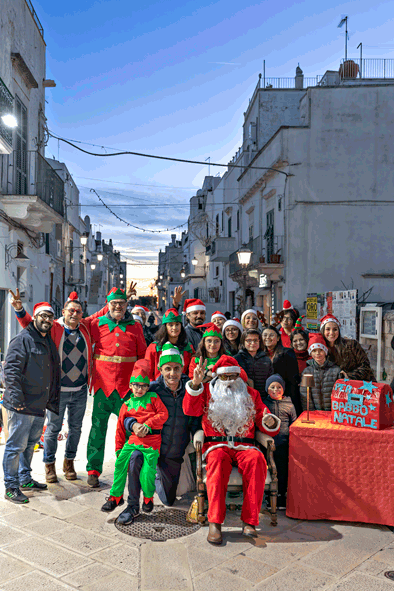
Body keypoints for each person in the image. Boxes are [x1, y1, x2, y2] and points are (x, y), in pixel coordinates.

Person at [183, 355, 280, 544]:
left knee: (257, 460)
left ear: (239, 376)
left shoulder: (251, 394)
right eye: (226, 377)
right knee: (217, 462)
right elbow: (190, 410)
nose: (230, 381)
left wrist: (269, 421)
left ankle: (249, 521)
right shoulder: (207, 393)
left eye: (234, 377)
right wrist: (195, 384)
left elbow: (263, 416)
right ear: (218, 377)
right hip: (216, 445)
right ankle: (215, 522)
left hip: (245, 445)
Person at [86, 287, 147, 487]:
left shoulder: (135, 327)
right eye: (113, 303)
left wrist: (140, 384)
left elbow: (142, 357)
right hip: (103, 386)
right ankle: (93, 469)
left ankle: (128, 466)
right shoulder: (97, 324)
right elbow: (81, 325)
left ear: (126, 304)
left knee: (127, 430)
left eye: (121, 303)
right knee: (97, 429)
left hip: (126, 388)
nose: (118, 307)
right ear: (108, 305)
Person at [2, 302, 60, 503]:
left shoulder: (47, 340)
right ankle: (11, 486)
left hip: (38, 405)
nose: (46, 320)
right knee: (15, 446)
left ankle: (25, 478)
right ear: (34, 317)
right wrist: (17, 399)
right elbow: (10, 371)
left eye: (50, 317)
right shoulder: (23, 339)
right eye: (42, 316)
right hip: (22, 405)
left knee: (30, 445)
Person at [101, 360, 168, 524]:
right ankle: (116, 496)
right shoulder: (127, 404)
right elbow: (119, 429)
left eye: (143, 386)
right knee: (119, 466)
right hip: (131, 443)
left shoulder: (153, 398)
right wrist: (118, 449)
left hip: (151, 444)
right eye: (136, 385)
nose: (140, 389)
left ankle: (148, 497)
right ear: (130, 386)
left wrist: (148, 424)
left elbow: (163, 415)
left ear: (148, 387)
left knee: (147, 472)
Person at [147, 343, 201, 507]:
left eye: (176, 368)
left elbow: (195, 418)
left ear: (182, 369)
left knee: (171, 498)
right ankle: (153, 472)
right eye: (168, 368)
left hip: (177, 453)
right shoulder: (152, 390)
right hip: (158, 452)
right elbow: (132, 412)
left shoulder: (189, 388)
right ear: (161, 369)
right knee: (168, 501)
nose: (172, 373)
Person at [263, 374, 297, 510]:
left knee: (282, 469)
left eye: (279, 387)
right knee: (270, 468)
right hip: (269, 443)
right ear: (267, 389)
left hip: (284, 442)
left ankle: (282, 494)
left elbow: (293, 422)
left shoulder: (289, 404)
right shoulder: (265, 403)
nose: (276, 390)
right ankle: (269, 494)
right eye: (272, 387)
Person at [320, 314, 375, 381]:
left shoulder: (352, 345)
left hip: (358, 385)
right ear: (323, 331)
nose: (331, 333)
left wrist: (348, 376)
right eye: (328, 329)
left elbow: (365, 367)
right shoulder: (320, 350)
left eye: (335, 329)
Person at [262, 325, 302, 415]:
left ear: (278, 337)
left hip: (285, 397)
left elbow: (293, 379)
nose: (267, 338)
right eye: (265, 335)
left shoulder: (287, 353)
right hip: (267, 399)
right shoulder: (260, 355)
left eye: (271, 335)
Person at [144, 309, 194, 381]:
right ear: (165, 327)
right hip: (158, 388)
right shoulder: (154, 348)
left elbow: (191, 371)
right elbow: (148, 372)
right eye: (171, 325)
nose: (174, 328)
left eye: (177, 324)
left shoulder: (188, 348)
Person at [300, 333, 341, 412]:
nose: (318, 353)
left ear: (325, 351)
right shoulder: (307, 372)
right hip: (315, 413)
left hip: (332, 412)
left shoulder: (336, 370)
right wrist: (310, 412)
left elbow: (339, 394)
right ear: (310, 353)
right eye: (314, 351)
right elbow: (305, 395)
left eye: (321, 350)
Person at [235, 329, 273, 399]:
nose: (252, 343)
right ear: (243, 342)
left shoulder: (266, 359)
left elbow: (270, 379)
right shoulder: (237, 359)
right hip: (242, 398)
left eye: (255, 340)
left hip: (263, 398)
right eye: (249, 341)